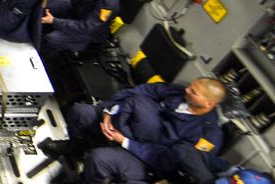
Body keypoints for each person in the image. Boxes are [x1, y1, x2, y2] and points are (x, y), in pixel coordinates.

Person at [40, 78, 227, 184]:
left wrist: (126, 142)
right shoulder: (177, 92)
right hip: (125, 122)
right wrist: (109, 112)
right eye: (190, 86)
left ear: (208, 103)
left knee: (99, 159)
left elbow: (169, 161)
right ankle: (75, 146)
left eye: (193, 92)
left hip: (146, 157)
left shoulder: (208, 136)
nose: (187, 89)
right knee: (81, 112)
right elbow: (136, 92)